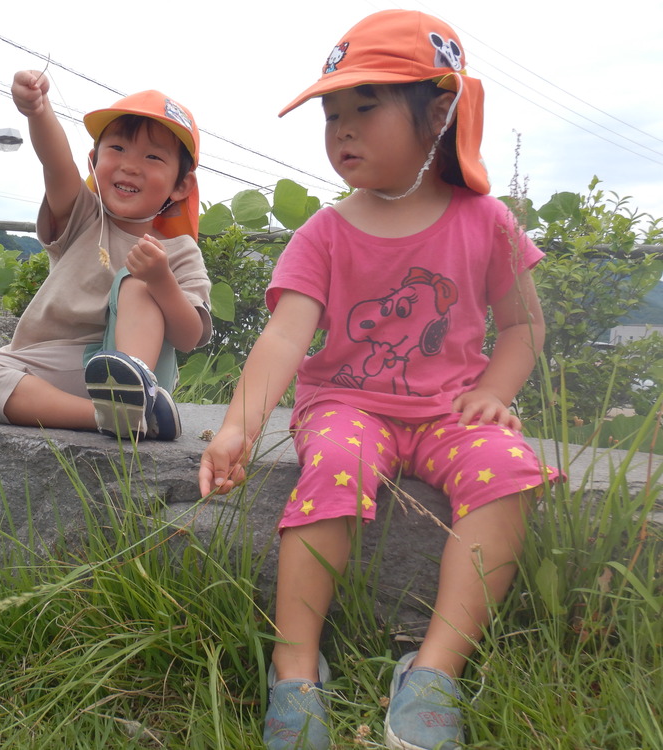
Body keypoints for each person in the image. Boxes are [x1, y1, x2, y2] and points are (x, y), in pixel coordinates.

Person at [198, 10, 561, 750]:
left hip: (447, 410)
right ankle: (294, 666)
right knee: (336, 462)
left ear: (437, 113)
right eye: (332, 114)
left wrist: (495, 389)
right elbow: (285, 337)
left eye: (365, 108)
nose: (342, 130)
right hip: (346, 405)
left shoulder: (485, 220)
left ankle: (434, 672)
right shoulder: (324, 233)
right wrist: (238, 425)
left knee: (509, 469)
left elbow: (524, 327)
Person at [0, 71, 212, 441]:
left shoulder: (179, 251)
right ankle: (108, 417)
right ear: (93, 160)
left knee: (139, 283)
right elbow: (56, 163)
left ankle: (135, 388)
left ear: (181, 184)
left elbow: (189, 337)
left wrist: (161, 281)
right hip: (56, 363)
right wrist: (38, 112)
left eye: (154, 157)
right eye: (117, 149)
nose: (130, 165)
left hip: (136, 366)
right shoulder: (83, 216)